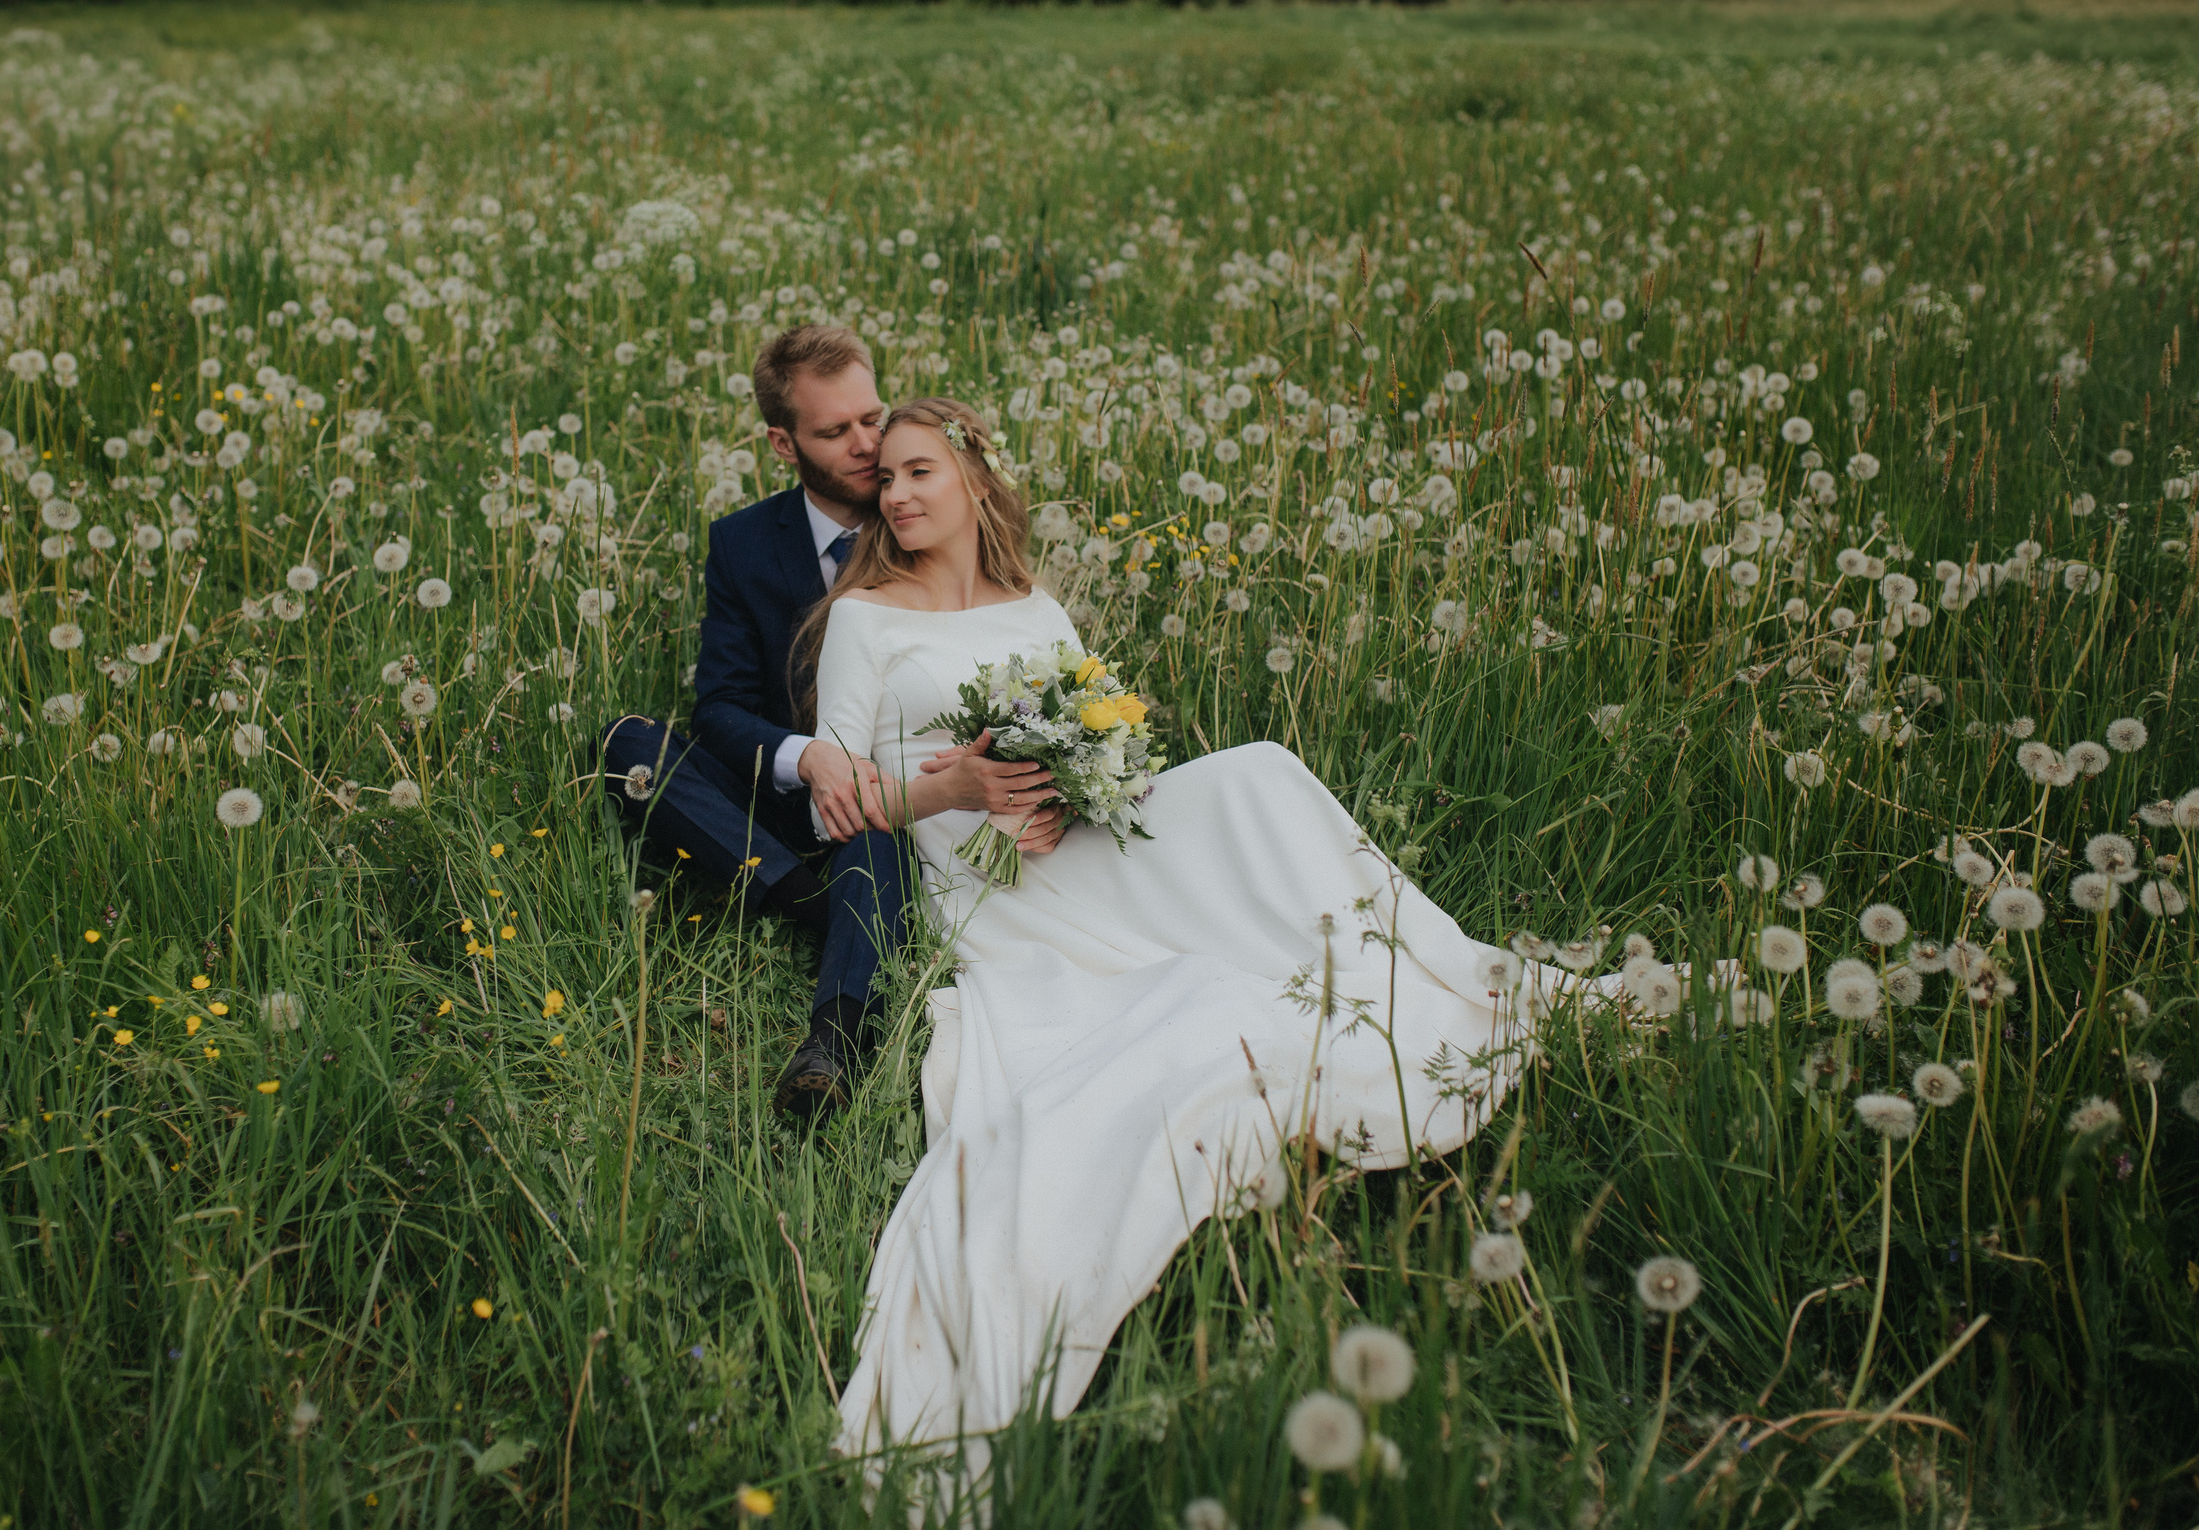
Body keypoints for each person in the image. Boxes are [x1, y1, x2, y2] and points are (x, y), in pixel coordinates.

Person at [795, 395, 1576, 1482]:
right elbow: (839, 801)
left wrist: (1077, 790)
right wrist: (956, 784)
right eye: (886, 480)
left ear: (976, 482)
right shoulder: (866, 620)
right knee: (1198, 990)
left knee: (1258, 771)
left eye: (921, 472)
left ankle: (1408, 963)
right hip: (981, 880)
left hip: (1071, 844)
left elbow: (1099, 727)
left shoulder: (1038, 608)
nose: (899, 494)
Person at [595, 327, 1058, 1120]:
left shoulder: (917, 522)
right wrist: (808, 758)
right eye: (834, 431)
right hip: (789, 795)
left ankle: (835, 1036)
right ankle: (812, 899)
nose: (865, 444)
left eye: (871, 419)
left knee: (871, 833)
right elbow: (720, 705)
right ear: (784, 442)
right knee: (626, 746)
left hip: (892, 802)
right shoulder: (743, 543)